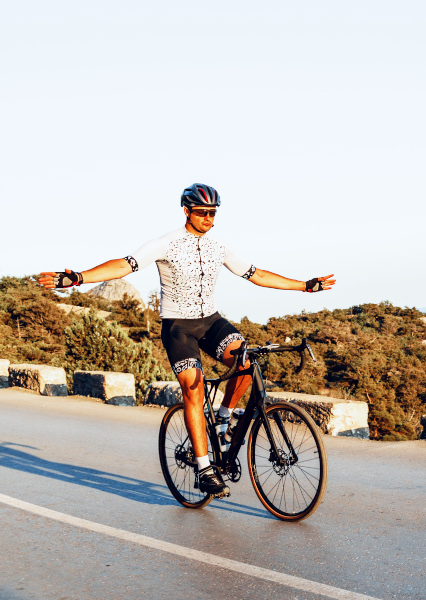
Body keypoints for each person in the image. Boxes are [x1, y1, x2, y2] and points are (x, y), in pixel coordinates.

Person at [38, 183, 335, 498]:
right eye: (203, 212)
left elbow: (256, 274)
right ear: (187, 211)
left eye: (213, 213)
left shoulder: (219, 246)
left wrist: (304, 286)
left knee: (246, 362)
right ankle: (204, 468)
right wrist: (79, 277)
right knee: (194, 389)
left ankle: (223, 417)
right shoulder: (165, 243)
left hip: (212, 321)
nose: (208, 218)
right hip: (179, 327)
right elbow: (124, 265)